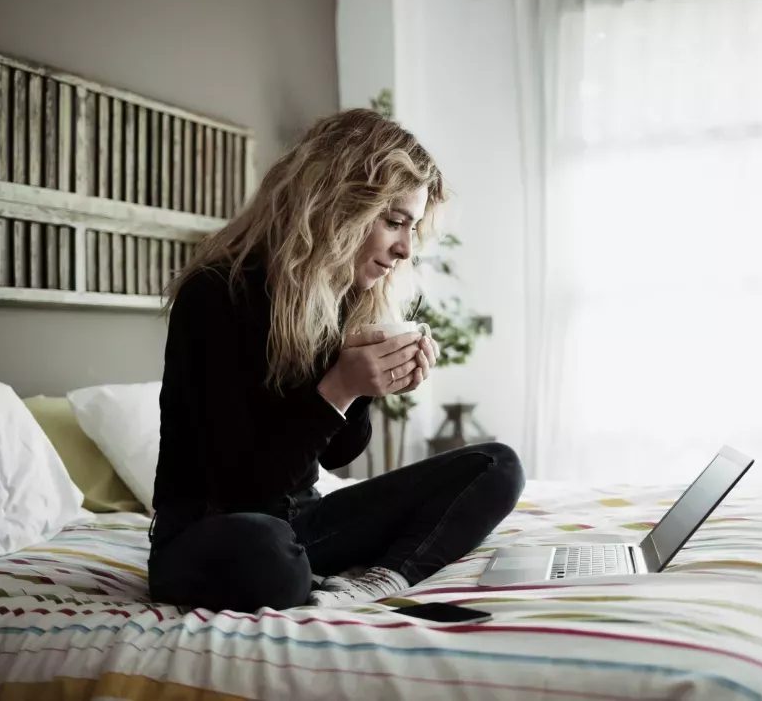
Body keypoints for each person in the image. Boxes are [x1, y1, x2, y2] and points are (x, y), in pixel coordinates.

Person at [148, 109, 525, 612]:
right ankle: (306, 578)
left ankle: (377, 583)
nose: (404, 249)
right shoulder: (216, 295)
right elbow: (241, 487)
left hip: (303, 524)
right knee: (267, 553)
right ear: (337, 206)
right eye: (394, 223)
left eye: (411, 228)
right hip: (210, 533)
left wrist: (368, 382)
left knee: (497, 465)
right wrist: (340, 388)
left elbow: (336, 455)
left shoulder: (337, 297)